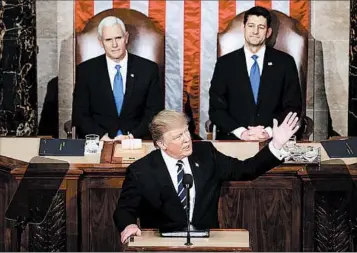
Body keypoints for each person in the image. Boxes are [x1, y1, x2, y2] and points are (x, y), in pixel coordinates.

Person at [113, 109, 299, 243]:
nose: (187, 139)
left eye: (186, 131)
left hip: (208, 242)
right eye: (178, 136)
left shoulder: (206, 153)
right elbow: (124, 209)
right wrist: (128, 226)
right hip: (163, 243)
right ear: (161, 144)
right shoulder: (141, 170)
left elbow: (247, 169)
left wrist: (276, 145)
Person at [209, 6, 302, 141]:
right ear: (243, 28)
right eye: (251, 26)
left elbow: (293, 107)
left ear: (268, 32)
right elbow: (216, 109)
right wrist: (241, 132)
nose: (255, 32)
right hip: (234, 140)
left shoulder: (285, 63)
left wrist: (269, 131)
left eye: (261, 27)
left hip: (274, 140)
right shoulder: (225, 64)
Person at [72, 16, 164, 141]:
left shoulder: (148, 69)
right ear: (101, 42)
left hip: (137, 139)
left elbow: (154, 112)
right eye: (108, 40)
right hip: (100, 140)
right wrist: (102, 136)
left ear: (126, 38)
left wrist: (132, 136)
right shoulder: (86, 71)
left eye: (118, 38)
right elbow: (80, 113)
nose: (114, 45)